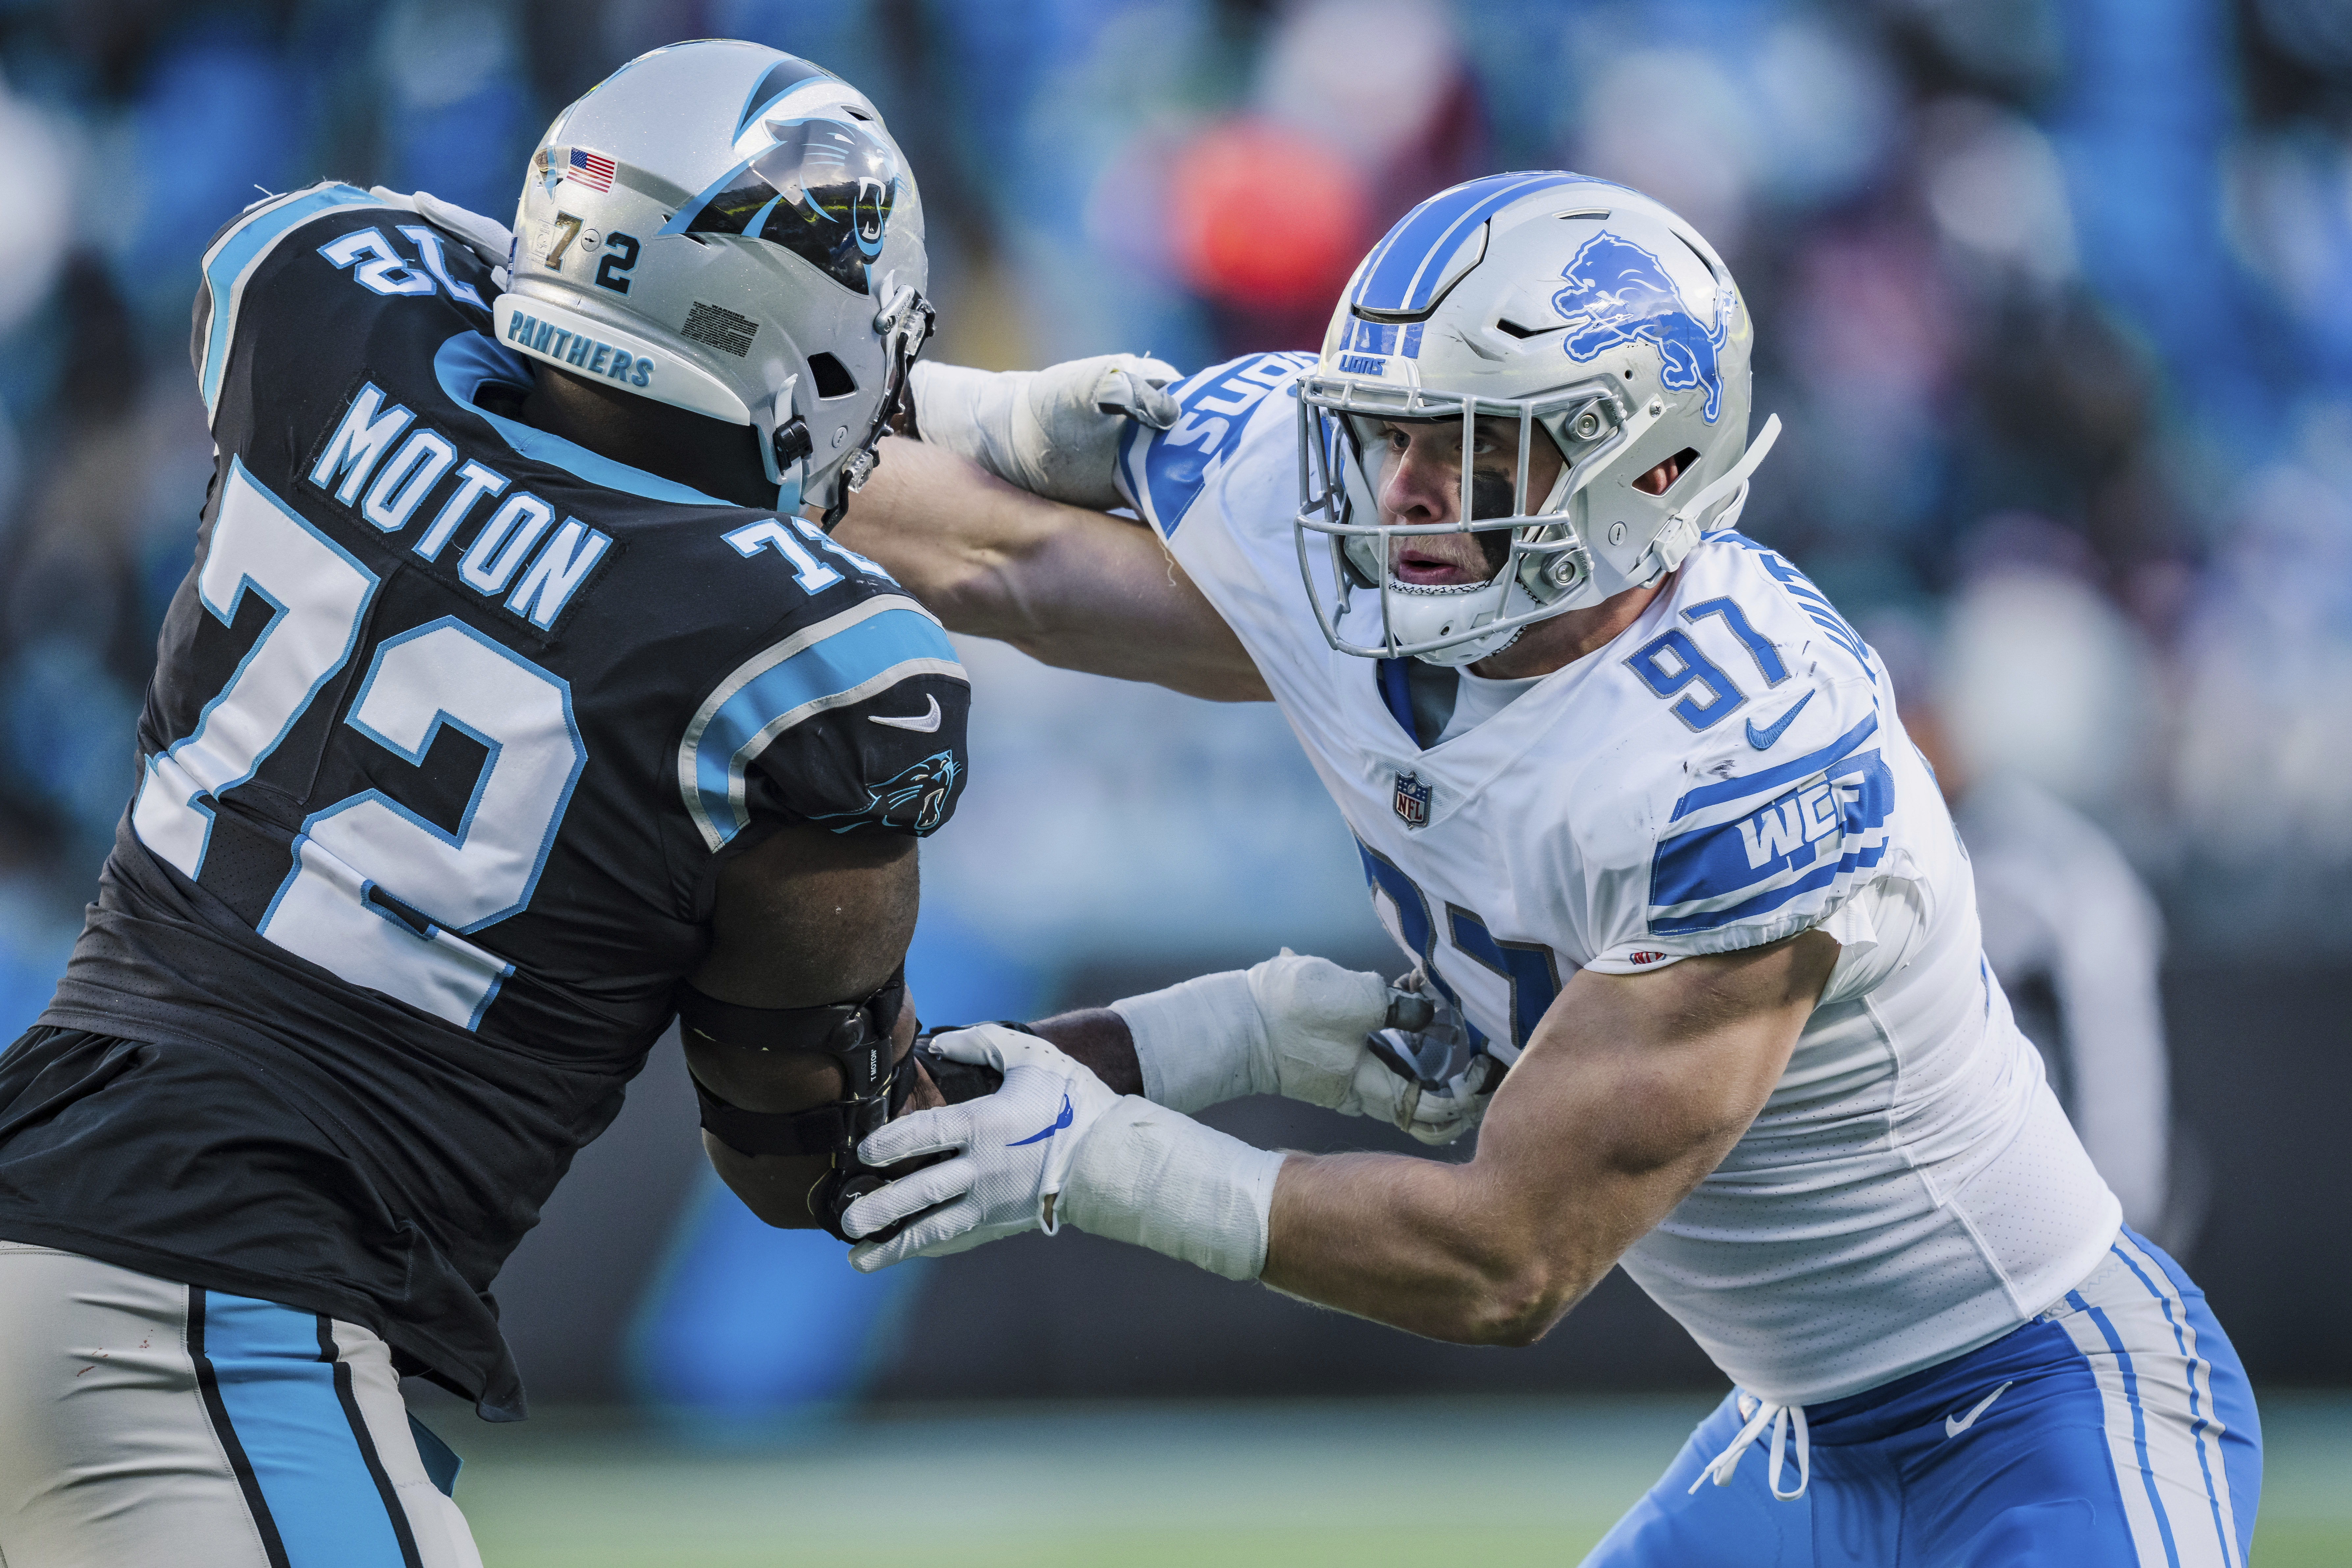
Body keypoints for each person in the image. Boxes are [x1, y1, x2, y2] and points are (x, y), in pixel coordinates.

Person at [832, 173, 2260, 1565]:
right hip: (1793, 1436)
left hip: (2036, 1408)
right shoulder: (1342, 496)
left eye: (1469, 449)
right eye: (1387, 433)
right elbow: (985, 545)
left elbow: (1503, 1258)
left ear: (1645, 466)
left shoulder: (1742, 753)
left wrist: (1100, 1158)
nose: (1400, 492)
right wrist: (695, 411)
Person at [0, 41, 967, 1567]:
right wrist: (1148, 1082)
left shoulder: (308, 294)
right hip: (218, 1298)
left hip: (64, 1184)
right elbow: (809, 1147)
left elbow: (418, 255)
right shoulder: (806, 660)